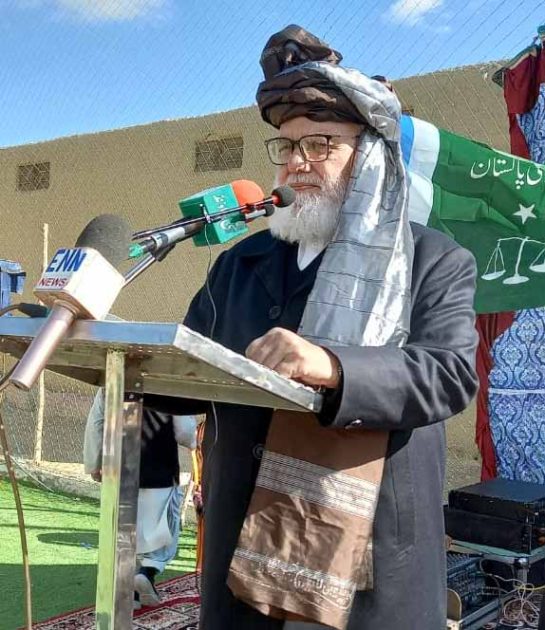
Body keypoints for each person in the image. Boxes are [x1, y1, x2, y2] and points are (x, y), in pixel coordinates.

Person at [146, 25, 479, 630]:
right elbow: (185, 381)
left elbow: (448, 375)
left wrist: (333, 366)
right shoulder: (238, 265)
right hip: (243, 543)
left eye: (320, 145)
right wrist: (126, 362)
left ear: (369, 157)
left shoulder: (433, 260)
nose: (297, 163)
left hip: (369, 556)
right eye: (287, 146)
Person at [83, 389, 197, 609]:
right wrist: (193, 441)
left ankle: (131, 596)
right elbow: (183, 430)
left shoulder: (113, 379)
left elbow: (97, 419)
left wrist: (94, 462)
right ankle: (147, 572)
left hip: (119, 470)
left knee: (125, 534)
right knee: (163, 534)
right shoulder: (169, 383)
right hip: (159, 470)